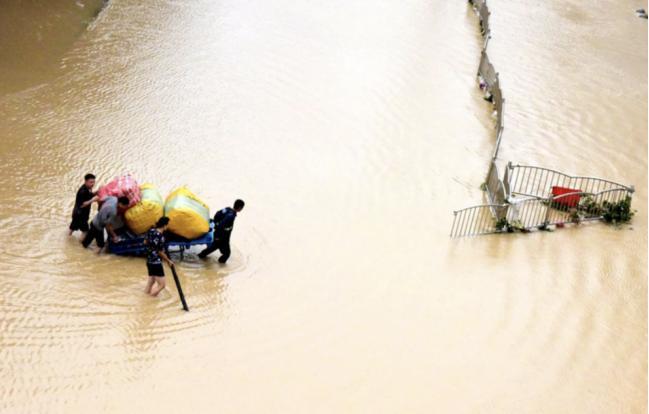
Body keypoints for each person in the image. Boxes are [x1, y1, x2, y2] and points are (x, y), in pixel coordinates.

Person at [198, 199, 245, 263]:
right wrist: (219, 231)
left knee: (212, 248)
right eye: (242, 208)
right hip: (222, 238)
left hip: (218, 235)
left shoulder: (227, 209)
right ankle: (221, 266)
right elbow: (222, 224)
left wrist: (216, 225)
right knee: (227, 253)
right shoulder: (231, 216)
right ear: (240, 208)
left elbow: (217, 214)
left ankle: (200, 256)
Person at [144, 217, 174, 296]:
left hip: (149, 260)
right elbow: (160, 252)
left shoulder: (151, 231)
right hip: (156, 262)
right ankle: (149, 300)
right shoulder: (161, 237)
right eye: (167, 225)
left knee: (151, 281)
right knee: (162, 285)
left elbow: (145, 242)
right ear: (164, 225)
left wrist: (151, 248)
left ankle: (145, 296)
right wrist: (168, 261)